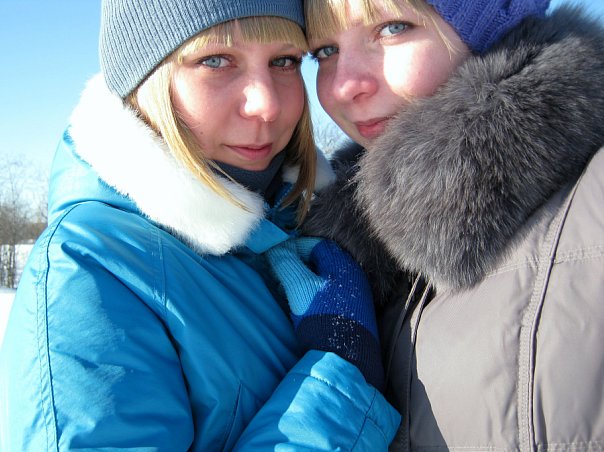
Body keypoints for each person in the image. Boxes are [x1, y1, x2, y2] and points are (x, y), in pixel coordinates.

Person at [0, 0, 401, 450]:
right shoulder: (87, 272)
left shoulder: (317, 223)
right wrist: (340, 376)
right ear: (144, 79)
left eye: (284, 61)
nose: (267, 105)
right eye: (215, 60)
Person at [289, 0, 604, 450]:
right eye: (324, 51)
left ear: (493, 27)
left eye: (392, 28)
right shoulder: (336, 258)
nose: (343, 86)